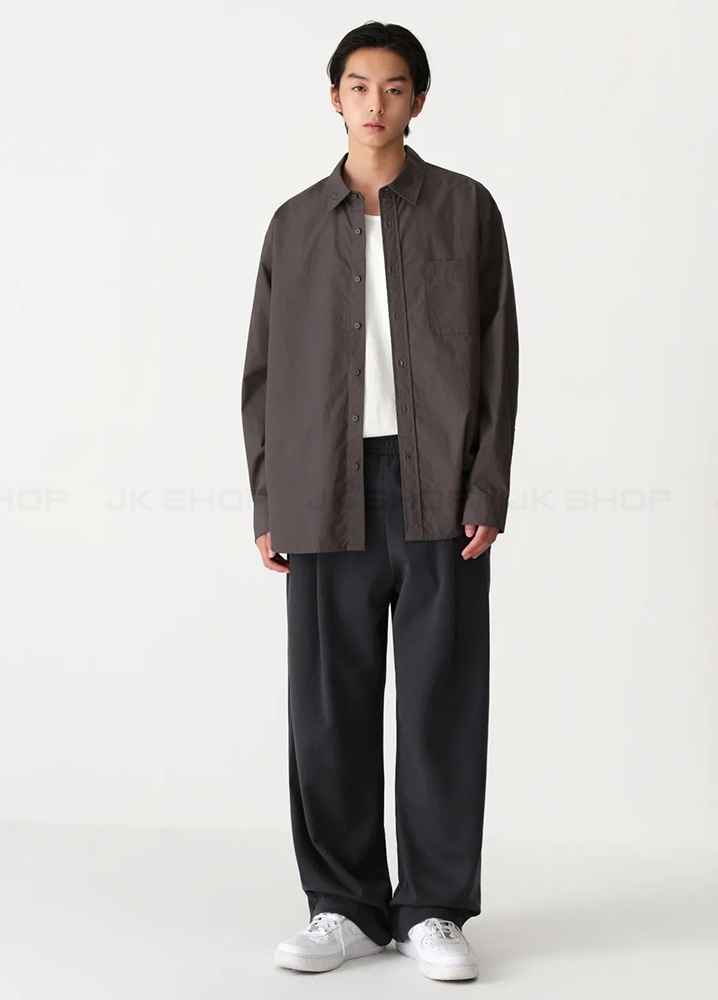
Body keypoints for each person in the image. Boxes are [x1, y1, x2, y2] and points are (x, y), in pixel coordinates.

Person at [240, 20, 519, 982]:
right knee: (329, 706)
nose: (375, 102)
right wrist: (270, 497)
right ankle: (344, 906)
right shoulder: (293, 224)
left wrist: (488, 485)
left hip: (439, 486)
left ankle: (433, 908)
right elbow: (263, 371)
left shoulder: (466, 209)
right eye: (358, 86)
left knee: (443, 699)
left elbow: (497, 355)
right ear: (335, 98)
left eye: (394, 87)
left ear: (418, 100)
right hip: (322, 486)